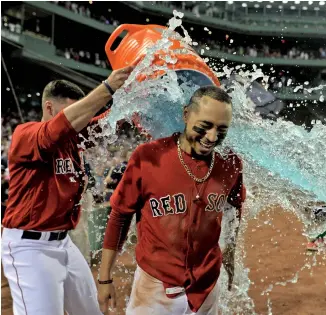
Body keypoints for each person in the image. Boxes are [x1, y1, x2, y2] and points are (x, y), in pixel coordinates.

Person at [98, 86, 246, 315]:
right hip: (155, 288)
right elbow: (120, 216)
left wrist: (230, 251)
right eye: (205, 126)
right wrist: (105, 278)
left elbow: (235, 207)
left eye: (221, 129)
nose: (212, 137)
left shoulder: (231, 163)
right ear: (186, 114)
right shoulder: (149, 157)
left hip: (206, 287)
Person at [1, 65, 133, 315]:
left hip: (64, 242)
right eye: (73, 112)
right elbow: (58, 128)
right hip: (29, 247)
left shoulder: (72, 139)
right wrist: (107, 87)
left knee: (91, 311)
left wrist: (134, 95)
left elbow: (106, 122)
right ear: (49, 108)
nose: (78, 122)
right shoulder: (25, 134)